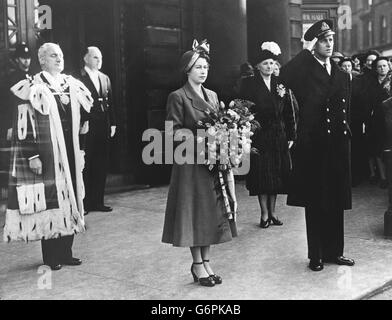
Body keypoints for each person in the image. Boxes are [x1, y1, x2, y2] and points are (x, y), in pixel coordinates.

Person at [3, 43, 93, 271]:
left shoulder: (72, 85)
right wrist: (32, 155)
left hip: (70, 153)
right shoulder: (32, 86)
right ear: (42, 60)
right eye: (53, 55)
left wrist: (81, 148)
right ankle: (51, 256)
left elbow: (82, 123)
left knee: (72, 197)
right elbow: (23, 124)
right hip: (47, 154)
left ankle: (66, 251)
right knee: (52, 200)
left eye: (61, 55)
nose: (59, 59)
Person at [280, 19, 355, 271]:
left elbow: (347, 109)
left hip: (337, 144)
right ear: (315, 44)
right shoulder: (304, 70)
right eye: (324, 40)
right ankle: (317, 254)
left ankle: (336, 252)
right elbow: (284, 74)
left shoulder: (342, 74)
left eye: (331, 39)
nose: (329, 44)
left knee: (336, 199)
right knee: (316, 200)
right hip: (314, 145)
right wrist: (305, 50)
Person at [162, 40, 237, 287]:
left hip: (212, 163)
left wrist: (226, 137)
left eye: (205, 66)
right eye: (198, 67)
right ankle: (196, 264)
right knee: (195, 213)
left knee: (209, 212)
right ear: (187, 70)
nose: (203, 71)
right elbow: (172, 132)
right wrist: (204, 138)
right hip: (191, 165)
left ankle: (206, 261)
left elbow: (221, 124)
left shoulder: (213, 95)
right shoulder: (178, 97)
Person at [240, 42, 296, 228]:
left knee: (276, 175)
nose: (269, 67)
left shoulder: (280, 84)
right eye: (265, 64)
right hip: (259, 134)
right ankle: (264, 214)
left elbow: (288, 111)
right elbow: (243, 109)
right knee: (262, 175)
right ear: (257, 66)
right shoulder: (248, 84)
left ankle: (273, 213)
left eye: (272, 63)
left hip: (278, 134)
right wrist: (246, 134)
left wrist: (290, 135)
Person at [78, 47, 116, 214]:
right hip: (87, 126)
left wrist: (113, 123)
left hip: (103, 126)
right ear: (86, 58)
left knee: (101, 163)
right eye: (95, 57)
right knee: (86, 164)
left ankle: (98, 201)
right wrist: (82, 121)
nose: (99, 60)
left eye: (100, 57)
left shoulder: (105, 78)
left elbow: (111, 103)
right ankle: (85, 204)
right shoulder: (78, 77)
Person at [0, 43, 32, 194]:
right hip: (15, 121)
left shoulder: (34, 76)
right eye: (22, 58)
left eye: (28, 58)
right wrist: (8, 126)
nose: (26, 61)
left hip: (30, 122)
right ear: (17, 59)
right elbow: (6, 105)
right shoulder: (10, 78)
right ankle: (11, 190)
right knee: (14, 156)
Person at [366, 57, 392, 189]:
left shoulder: (391, 81)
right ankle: (382, 177)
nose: (382, 68)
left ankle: (389, 177)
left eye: (384, 66)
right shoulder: (372, 82)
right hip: (375, 118)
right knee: (377, 148)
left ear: (389, 67)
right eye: (379, 66)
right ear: (376, 69)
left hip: (389, 118)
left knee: (388, 148)